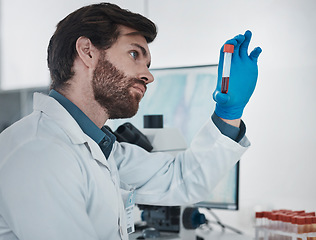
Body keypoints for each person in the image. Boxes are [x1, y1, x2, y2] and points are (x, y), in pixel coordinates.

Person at [0, 2, 262, 240]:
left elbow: (181, 178)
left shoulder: (101, 150)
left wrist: (229, 112)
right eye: (135, 55)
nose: (148, 75)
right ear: (87, 52)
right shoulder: (39, 153)